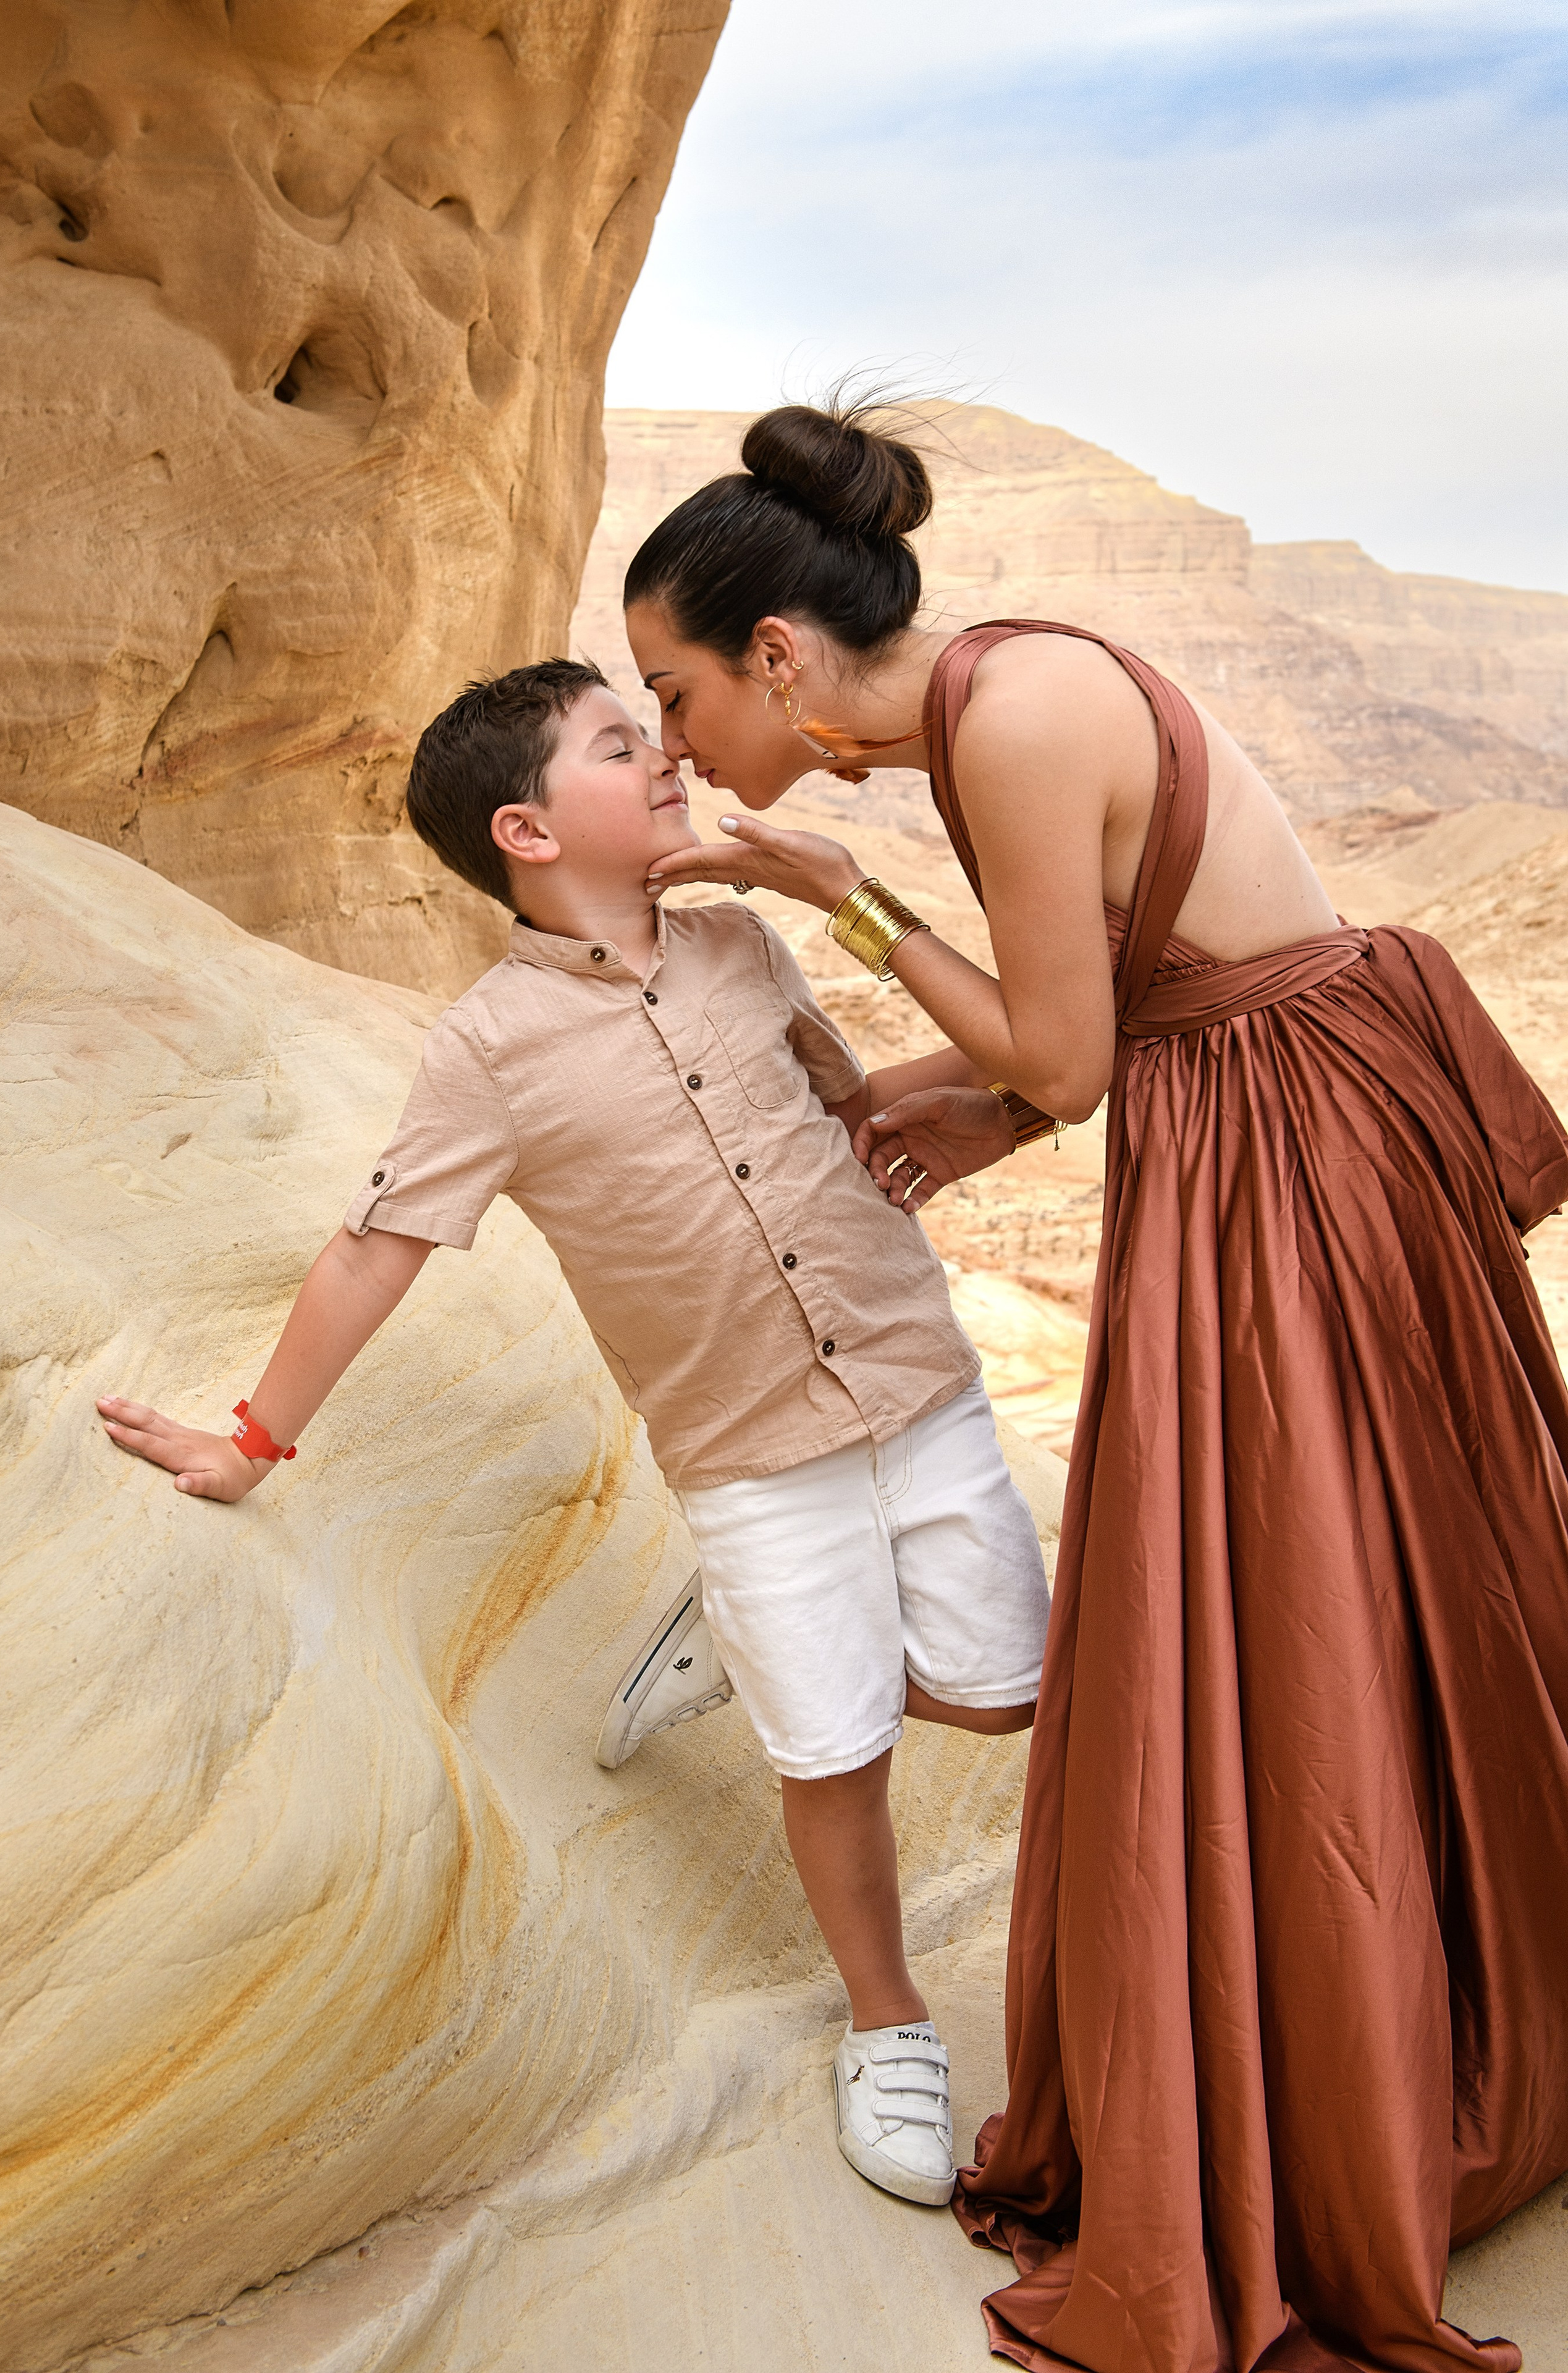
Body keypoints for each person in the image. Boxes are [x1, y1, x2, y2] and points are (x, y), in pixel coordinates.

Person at [624, 397, 1568, 2373]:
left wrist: (822, 889)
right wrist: (970, 1109)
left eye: (677, 693)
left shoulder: (1012, 718)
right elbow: (1107, 1031)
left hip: (1298, 1150)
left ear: (777, 658)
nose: (680, 745)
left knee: (1296, 1602)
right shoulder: (989, 697)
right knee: (1353, 1591)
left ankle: (1381, 2083)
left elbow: (1069, 1057)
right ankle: (1425, 2023)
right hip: (1264, 1116)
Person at [95, 657, 1051, 2214]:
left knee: (1005, 1697)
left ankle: (736, 1643)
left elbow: (846, 1105)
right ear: (527, 830)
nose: (667, 753)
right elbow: (374, 1246)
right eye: (625, 745)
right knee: (836, 1748)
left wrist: (1014, 1091)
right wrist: (247, 1444)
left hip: (914, 1377)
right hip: (747, 1450)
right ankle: (884, 2022)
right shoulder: (486, 1048)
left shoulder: (744, 944)